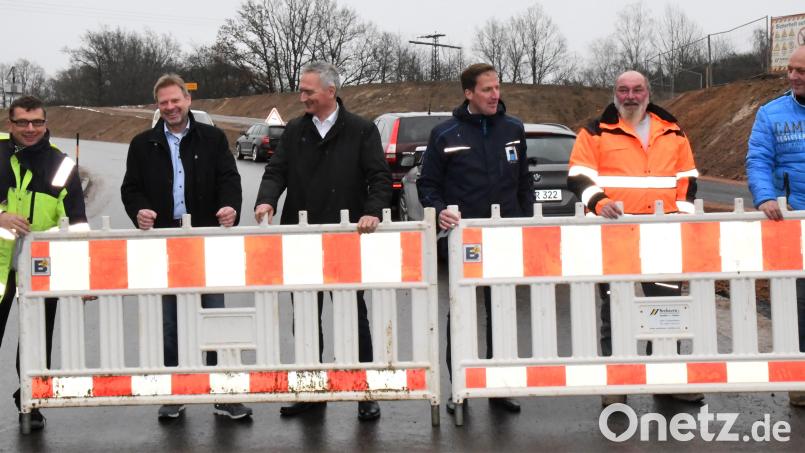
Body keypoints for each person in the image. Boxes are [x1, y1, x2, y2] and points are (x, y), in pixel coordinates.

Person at [254, 61, 390, 421]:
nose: (303, 97)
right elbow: (276, 171)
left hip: (346, 239)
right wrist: (266, 198)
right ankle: (310, 391)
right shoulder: (296, 130)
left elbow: (379, 176)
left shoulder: (361, 130)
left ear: (331, 91)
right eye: (301, 91)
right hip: (301, 239)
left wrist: (373, 210)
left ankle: (364, 391)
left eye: (308, 91)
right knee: (305, 316)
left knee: (352, 316)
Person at [567, 70, 703, 407]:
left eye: (637, 90)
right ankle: (616, 382)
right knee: (615, 310)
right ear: (615, 93)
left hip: (664, 236)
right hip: (614, 236)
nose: (630, 96)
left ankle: (666, 377)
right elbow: (578, 175)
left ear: (648, 92)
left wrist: (681, 218)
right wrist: (598, 202)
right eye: (623, 90)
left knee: (666, 309)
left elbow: (687, 178)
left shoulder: (672, 129)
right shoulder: (595, 130)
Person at [120, 74, 251, 420]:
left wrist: (230, 207)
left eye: (175, 101)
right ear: (157, 106)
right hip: (166, 242)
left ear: (188, 101)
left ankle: (223, 393)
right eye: (163, 103)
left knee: (214, 315)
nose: (170, 107)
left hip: (206, 239)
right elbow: (131, 188)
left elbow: (229, 179)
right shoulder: (142, 144)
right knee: (170, 320)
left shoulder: (212, 138)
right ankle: (175, 391)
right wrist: (139, 211)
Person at [417, 63, 534, 415]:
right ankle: (460, 389)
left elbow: (523, 181)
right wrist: (438, 210)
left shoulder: (513, 128)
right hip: (463, 240)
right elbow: (428, 185)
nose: (495, 94)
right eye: (487, 89)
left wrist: (525, 222)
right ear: (469, 93)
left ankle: (499, 387)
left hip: (504, 237)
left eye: (497, 88)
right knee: (463, 315)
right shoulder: (445, 133)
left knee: (501, 313)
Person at [0, 95, 88, 430]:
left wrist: (83, 274)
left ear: (46, 123)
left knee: (37, 341)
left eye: (37, 121)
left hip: (40, 268)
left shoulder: (61, 165)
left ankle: (31, 400)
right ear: (11, 124)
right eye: (22, 122)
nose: (30, 128)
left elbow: (78, 222)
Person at [746, 45, 805, 408]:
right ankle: (800, 381)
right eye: (791, 69)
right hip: (793, 224)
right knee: (798, 306)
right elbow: (758, 160)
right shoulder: (771, 114)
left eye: (801, 70)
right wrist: (765, 196)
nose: (794, 76)